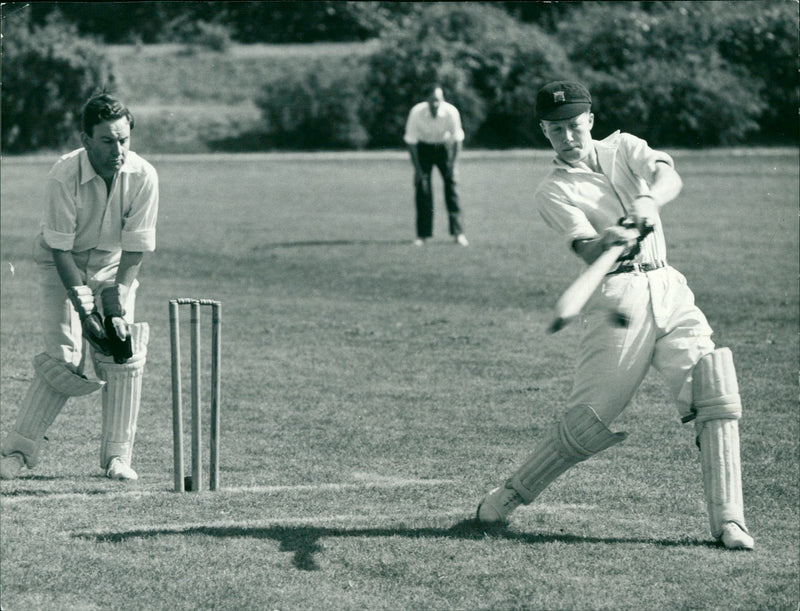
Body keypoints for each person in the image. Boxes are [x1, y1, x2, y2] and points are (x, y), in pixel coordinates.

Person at [475, 81, 754, 550]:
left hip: (668, 284)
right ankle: (509, 495)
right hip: (618, 298)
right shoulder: (553, 190)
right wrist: (608, 239)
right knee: (590, 417)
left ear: (590, 120)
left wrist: (651, 200)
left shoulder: (625, 147)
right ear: (544, 130)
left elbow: (669, 175)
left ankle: (730, 521)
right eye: (557, 129)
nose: (568, 136)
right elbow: (585, 248)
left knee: (714, 391)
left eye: (575, 125)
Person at [0, 92, 158, 481]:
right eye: (107, 140)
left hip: (113, 265)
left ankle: (118, 459)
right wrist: (85, 310)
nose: (118, 149)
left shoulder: (144, 175)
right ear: (86, 139)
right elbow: (60, 248)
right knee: (64, 359)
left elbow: (135, 249)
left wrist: (115, 306)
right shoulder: (64, 173)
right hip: (61, 264)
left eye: (124, 139)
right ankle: (17, 453)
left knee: (123, 354)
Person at [403, 84, 468, 246]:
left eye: (438, 100)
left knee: (452, 189)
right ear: (427, 100)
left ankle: (458, 233)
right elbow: (411, 142)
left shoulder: (451, 112)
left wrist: (454, 165)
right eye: (432, 100)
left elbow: (458, 139)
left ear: (443, 100)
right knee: (423, 190)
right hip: (423, 149)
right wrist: (418, 170)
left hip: (444, 148)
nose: (435, 103)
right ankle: (422, 235)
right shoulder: (416, 113)